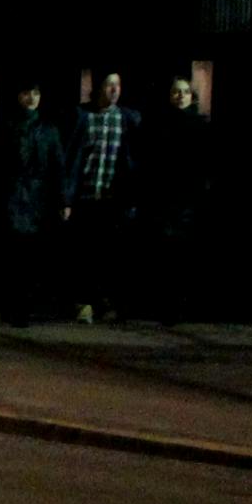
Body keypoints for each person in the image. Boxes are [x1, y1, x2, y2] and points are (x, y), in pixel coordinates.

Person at [0, 81, 69, 323]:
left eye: (36, 93)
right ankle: (11, 305)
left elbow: (58, 166)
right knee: (12, 255)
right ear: (19, 96)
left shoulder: (49, 129)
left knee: (30, 257)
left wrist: (63, 199)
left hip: (37, 201)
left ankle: (24, 306)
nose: (32, 98)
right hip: (11, 197)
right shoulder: (8, 126)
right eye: (27, 93)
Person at [63, 70, 139, 323]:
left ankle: (105, 301)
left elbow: (131, 161)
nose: (114, 90)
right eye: (109, 85)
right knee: (83, 252)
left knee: (109, 253)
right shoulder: (83, 116)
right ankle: (82, 303)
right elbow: (72, 157)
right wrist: (67, 198)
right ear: (99, 89)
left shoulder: (128, 119)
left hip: (112, 199)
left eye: (118, 85)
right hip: (85, 196)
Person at [132, 75, 209, 323]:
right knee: (165, 252)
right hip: (164, 198)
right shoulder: (158, 125)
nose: (181, 96)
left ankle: (181, 306)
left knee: (183, 254)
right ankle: (165, 307)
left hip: (188, 199)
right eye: (177, 91)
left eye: (185, 92)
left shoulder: (200, 126)